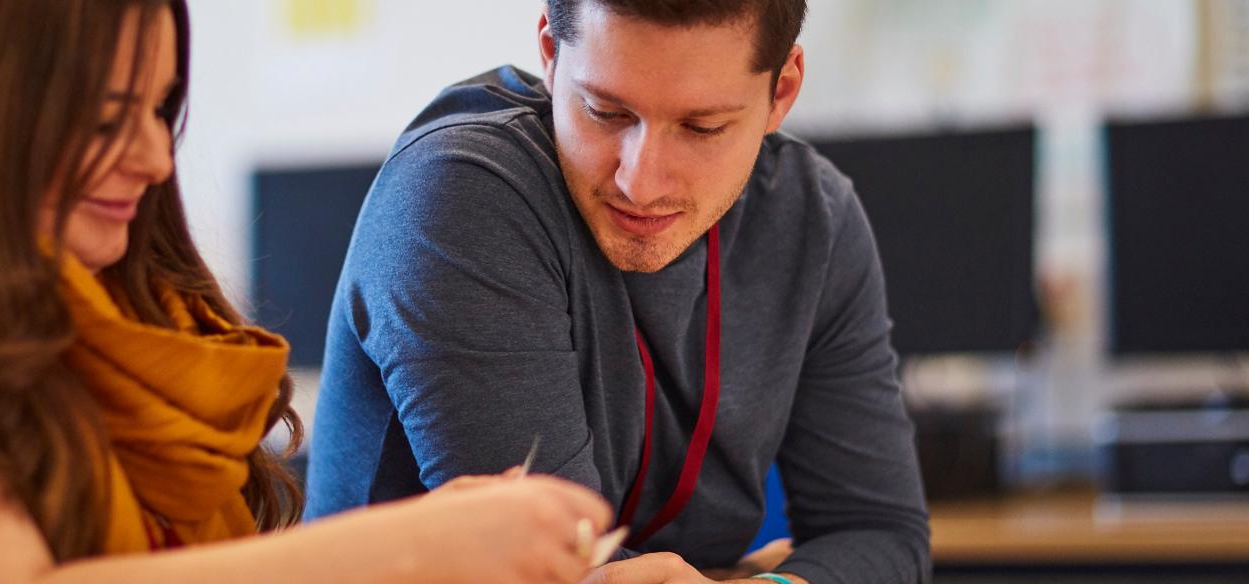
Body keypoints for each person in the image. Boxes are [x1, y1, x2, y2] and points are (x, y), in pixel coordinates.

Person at [0, 1, 613, 582]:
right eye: (103, 114)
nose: (149, 154)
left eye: (160, 109)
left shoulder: (120, 304)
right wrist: (410, 545)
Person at [306, 1, 930, 582]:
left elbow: (882, 533)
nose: (641, 179)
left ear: (781, 92)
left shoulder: (813, 217)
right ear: (550, 54)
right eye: (606, 112)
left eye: (703, 126)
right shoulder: (459, 195)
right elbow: (553, 566)